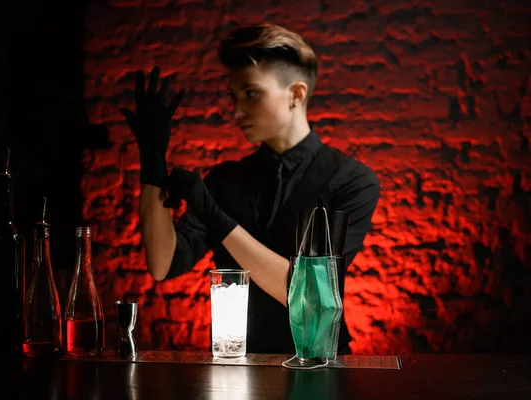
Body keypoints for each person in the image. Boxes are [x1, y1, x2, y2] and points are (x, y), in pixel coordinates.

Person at [120, 22, 380, 355]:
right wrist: (153, 162)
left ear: (296, 94)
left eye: (251, 93)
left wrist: (216, 218)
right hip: (234, 365)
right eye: (233, 96)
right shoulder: (226, 179)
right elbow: (162, 265)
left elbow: (309, 294)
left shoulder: (352, 181)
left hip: (318, 364)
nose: (237, 111)